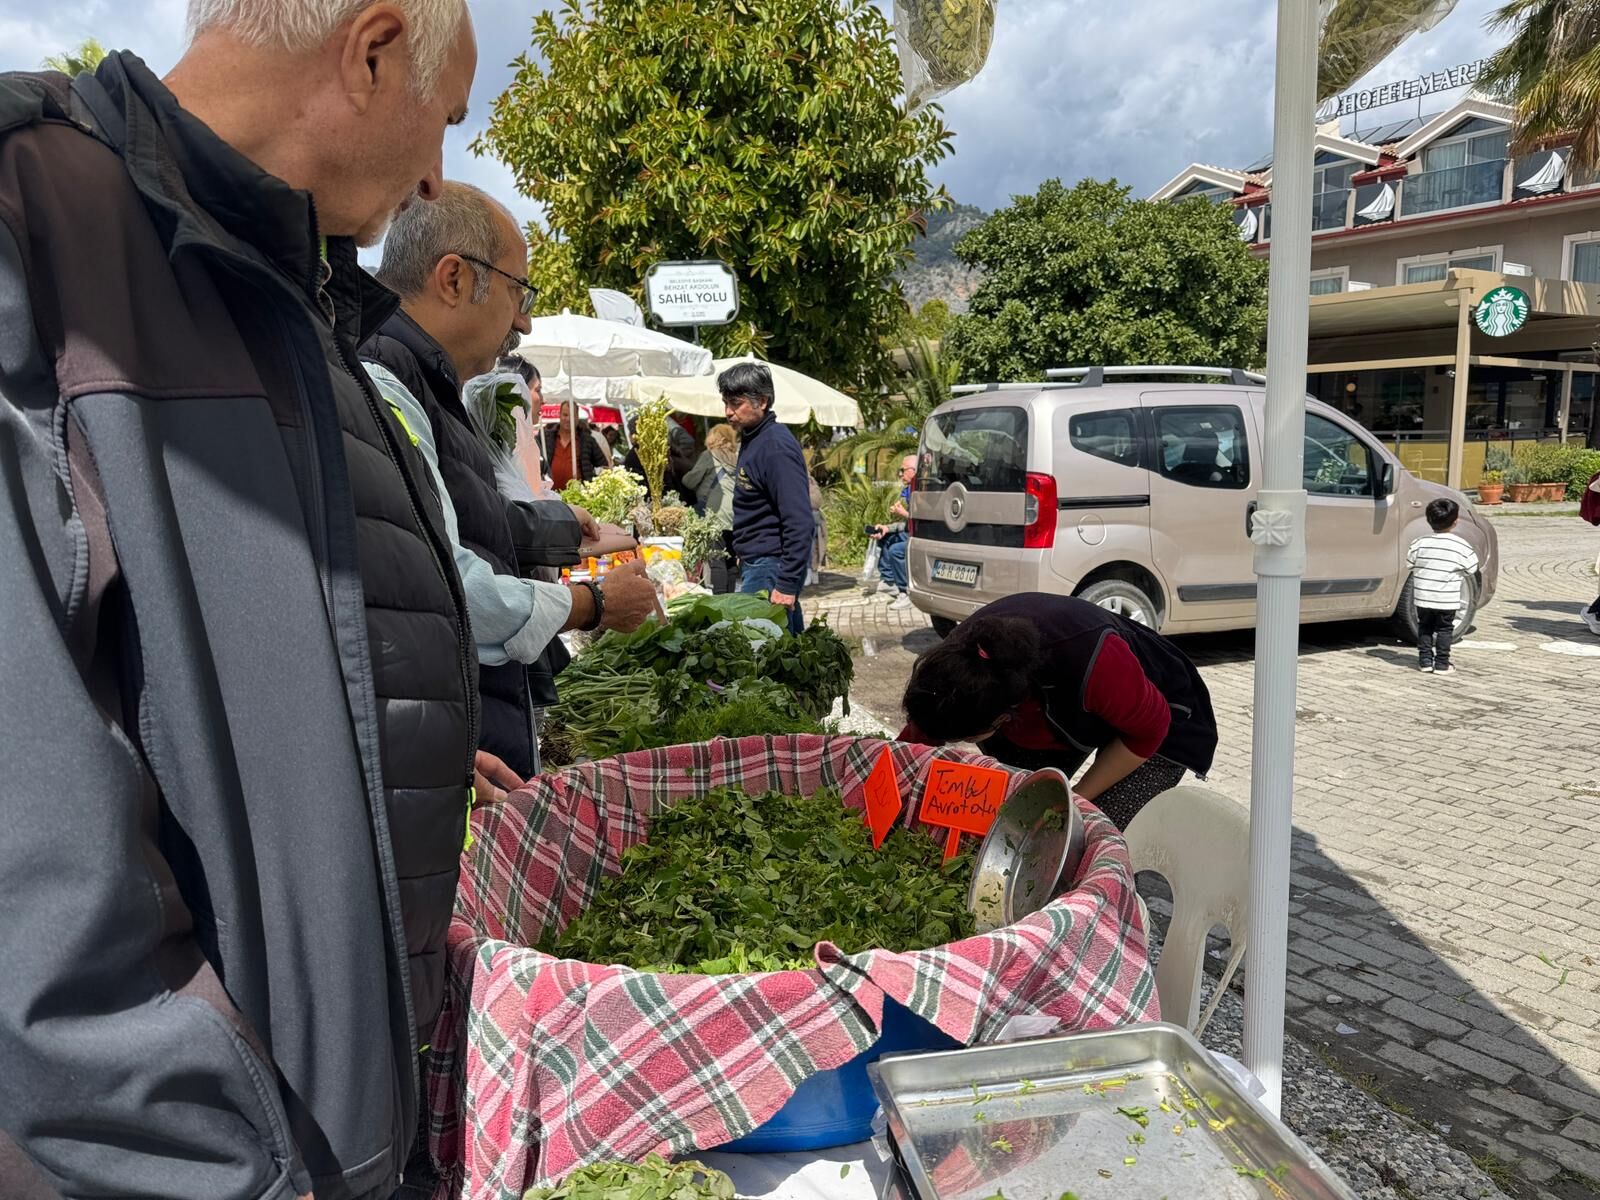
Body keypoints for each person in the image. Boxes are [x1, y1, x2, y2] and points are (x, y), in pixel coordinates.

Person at [0, 3, 485, 1197]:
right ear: (371, 52)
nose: (436, 173)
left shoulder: (297, 294)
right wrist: (238, 1167)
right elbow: (36, 875)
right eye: (446, 123)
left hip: (344, 1123)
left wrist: (405, 736)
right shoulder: (33, 231)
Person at [365, 183, 659, 777]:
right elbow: (447, 583)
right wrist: (594, 603)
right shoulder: (386, 381)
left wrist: (552, 528)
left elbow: (457, 515)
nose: (523, 321)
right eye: (518, 292)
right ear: (453, 279)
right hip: (452, 742)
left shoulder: (430, 383)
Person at [898, 594, 1217, 830]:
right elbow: (923, 731)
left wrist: (1072, 801)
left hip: (1165, 722)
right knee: (1019, 812)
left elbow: (1150, 730)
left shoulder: (1095, 663)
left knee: (1085, 829)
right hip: (1068, 704)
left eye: (964, 737)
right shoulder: (959, 664)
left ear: (1003, 717)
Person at [720, 362, 815, 634]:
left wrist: (785, 584)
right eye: (726, 402)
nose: (728, 411)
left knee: (765, 652)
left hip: (771, 566)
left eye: (736, 403)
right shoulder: (754, 438)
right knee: (788, 648)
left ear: (762, 401)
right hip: (758, 562)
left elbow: (799, 521)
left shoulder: (775, 446)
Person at [1406, 498, 1481, 675]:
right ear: (1455, 521)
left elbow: (1410, 563)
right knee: (1445, 629)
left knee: (1424, 627)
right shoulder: (1460, 545)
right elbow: (1472, 568)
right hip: (1447, 598)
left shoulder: (1419, 542)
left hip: (1423, 597)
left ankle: (1425, 661)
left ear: (1428, 519)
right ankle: (1442, 663)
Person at [684, 423, 740, 592]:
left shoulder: (709, 455)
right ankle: (730, 598)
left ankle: (720, 600)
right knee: (730, 560)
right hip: (736, 515)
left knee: (716, 561)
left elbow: (689, 480)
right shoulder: (737, 458)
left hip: (715, 514)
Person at [870, 454, 919, 609]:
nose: (900, 474)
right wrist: (887, 528)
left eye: (902, 470)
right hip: (911, 531)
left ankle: (906, 593)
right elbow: (907, 524)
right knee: (886, 536)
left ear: (913, 470)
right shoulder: (909, 490)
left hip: (921, 536)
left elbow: (923, 521)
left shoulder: (922, 490)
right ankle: (889, 580)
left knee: (896, 550)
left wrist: (904, 513)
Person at [541, 399, 610, 489]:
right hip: (549, 494)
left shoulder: (587, 440)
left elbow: (603, 466)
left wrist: (592, 482)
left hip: (577, 497)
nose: (568, 419)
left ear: (577, 418)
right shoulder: (546, 438)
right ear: (559, 416)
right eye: (565, 415)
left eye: (572, 416)